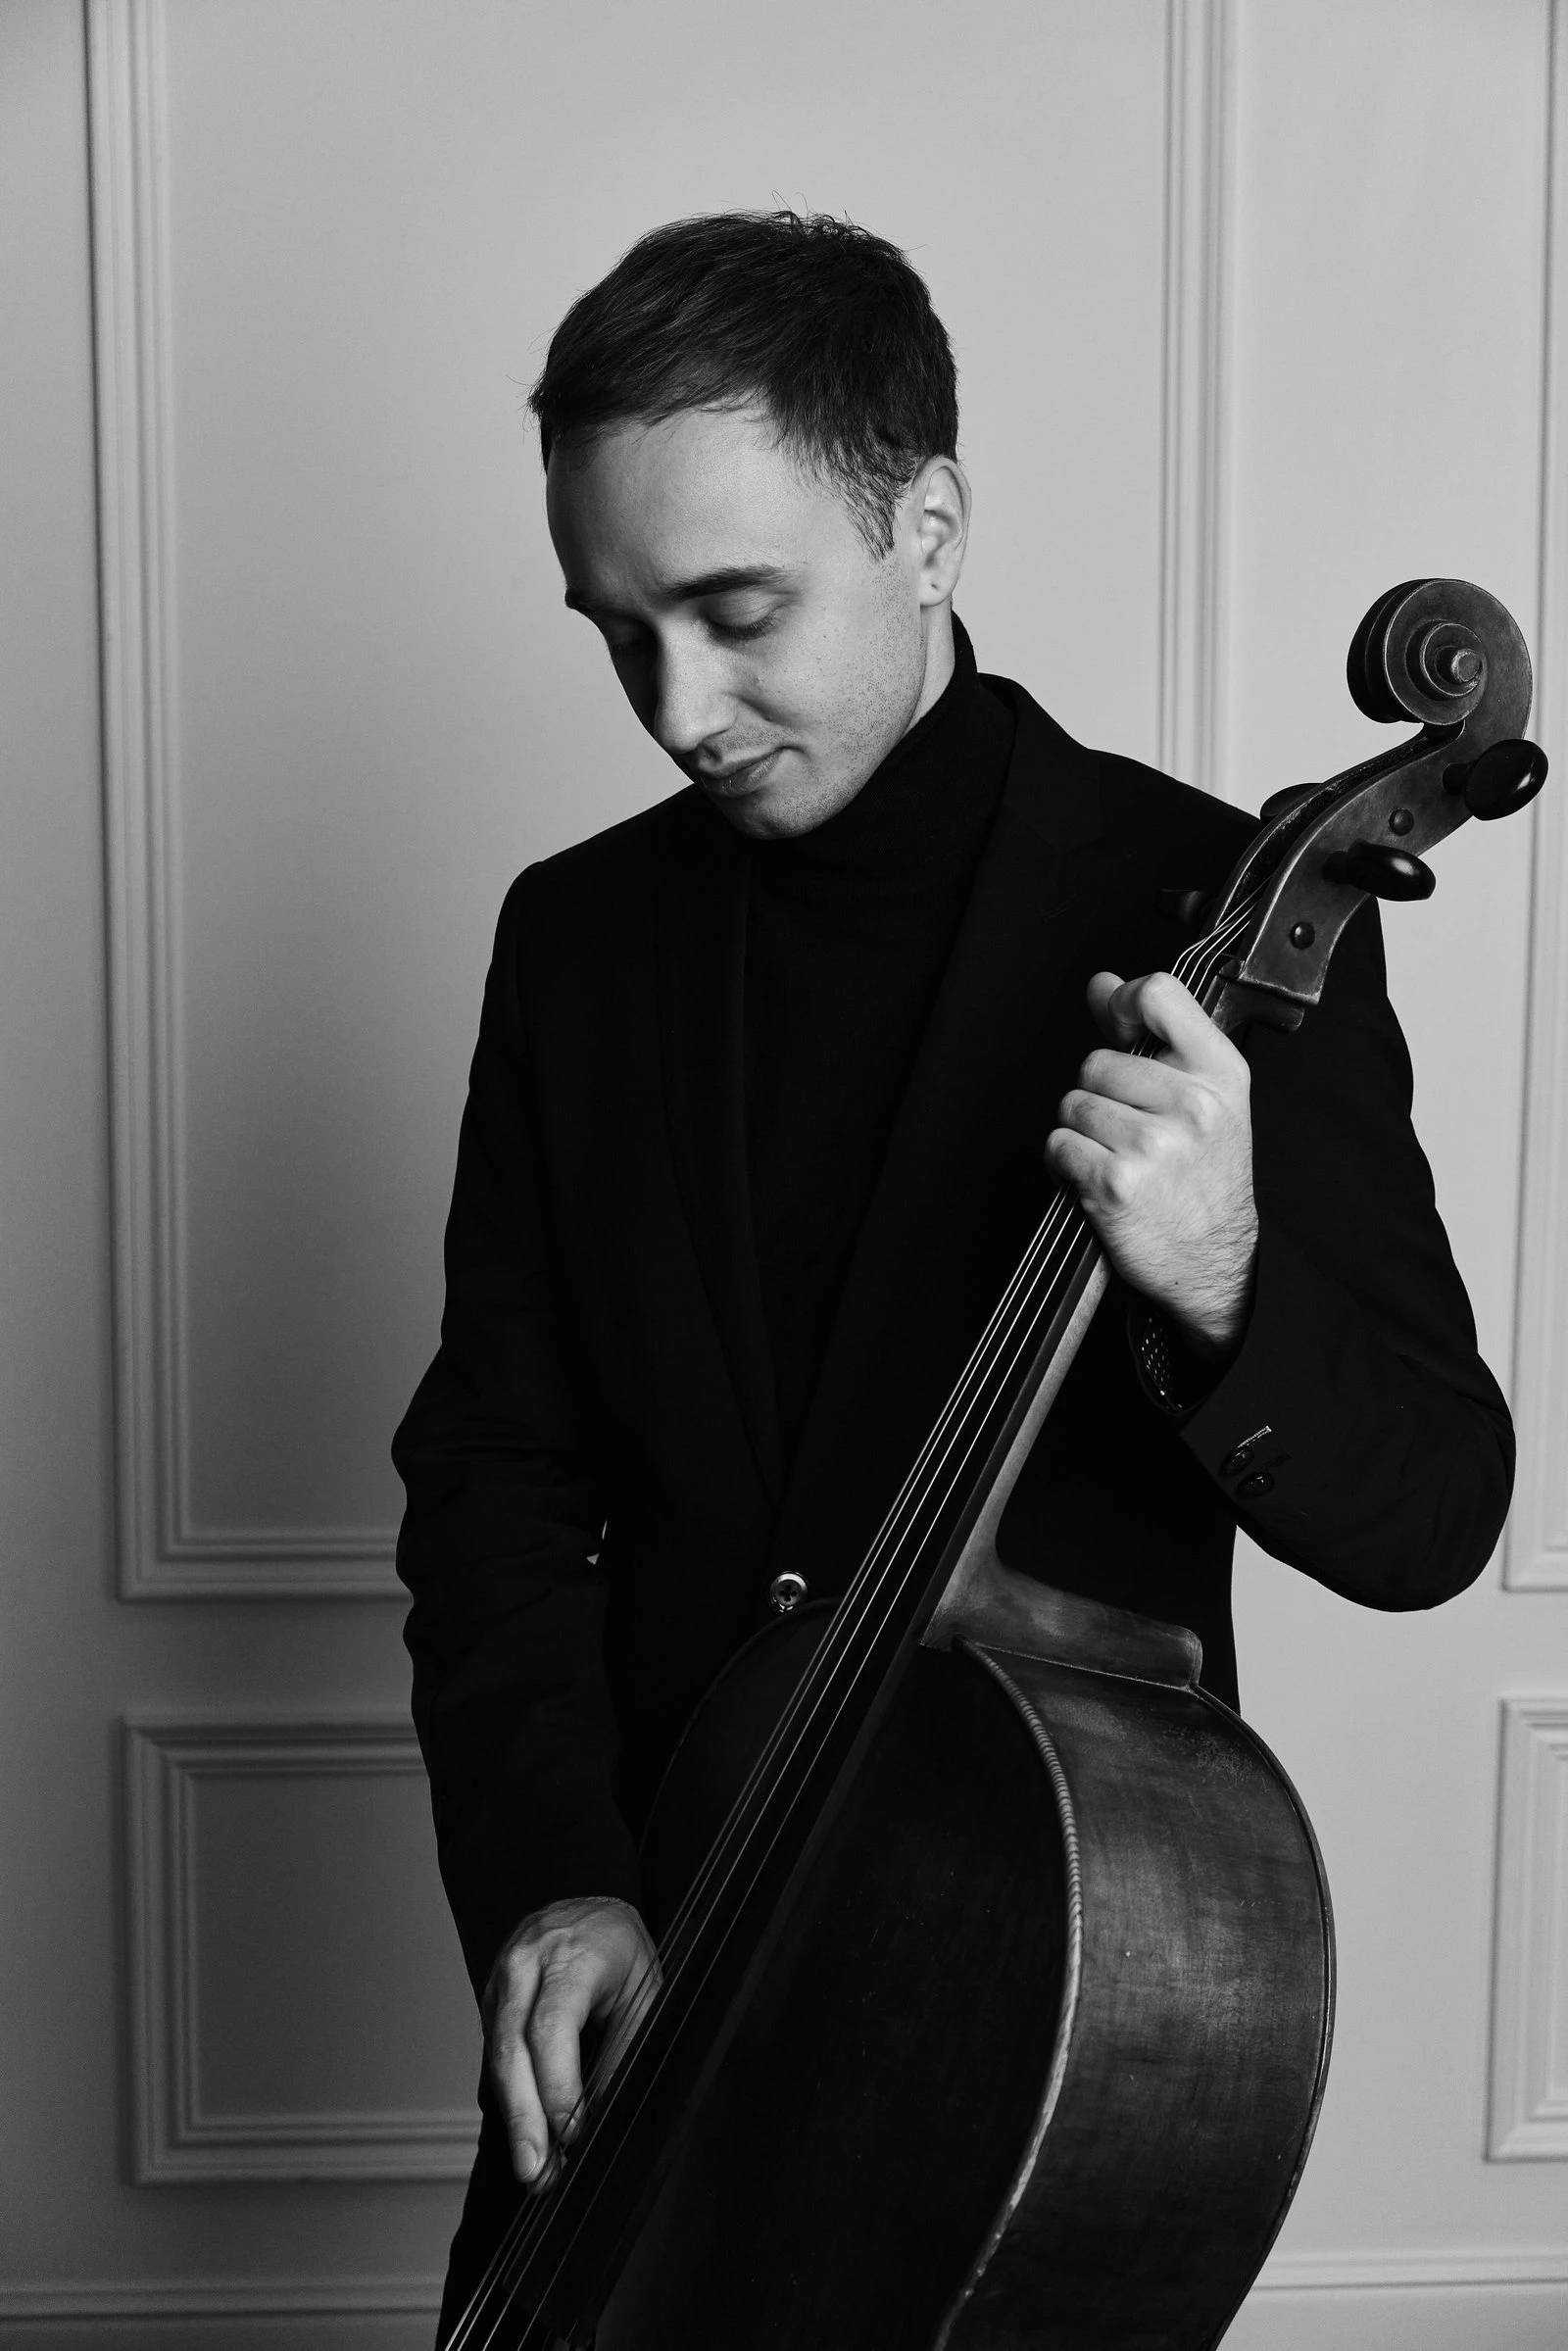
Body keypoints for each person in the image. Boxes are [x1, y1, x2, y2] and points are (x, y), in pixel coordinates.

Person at [392, 210, 1512, 2334]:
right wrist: (557, 1875)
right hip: (659, 1982)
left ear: (926, 526)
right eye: (618, 633)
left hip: (1003, 2028)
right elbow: (495, 1470)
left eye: (736, 611)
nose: (677, 709)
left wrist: (1219, 1271)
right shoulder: (577, 939)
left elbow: (1434, 1509)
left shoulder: (1209, 911)